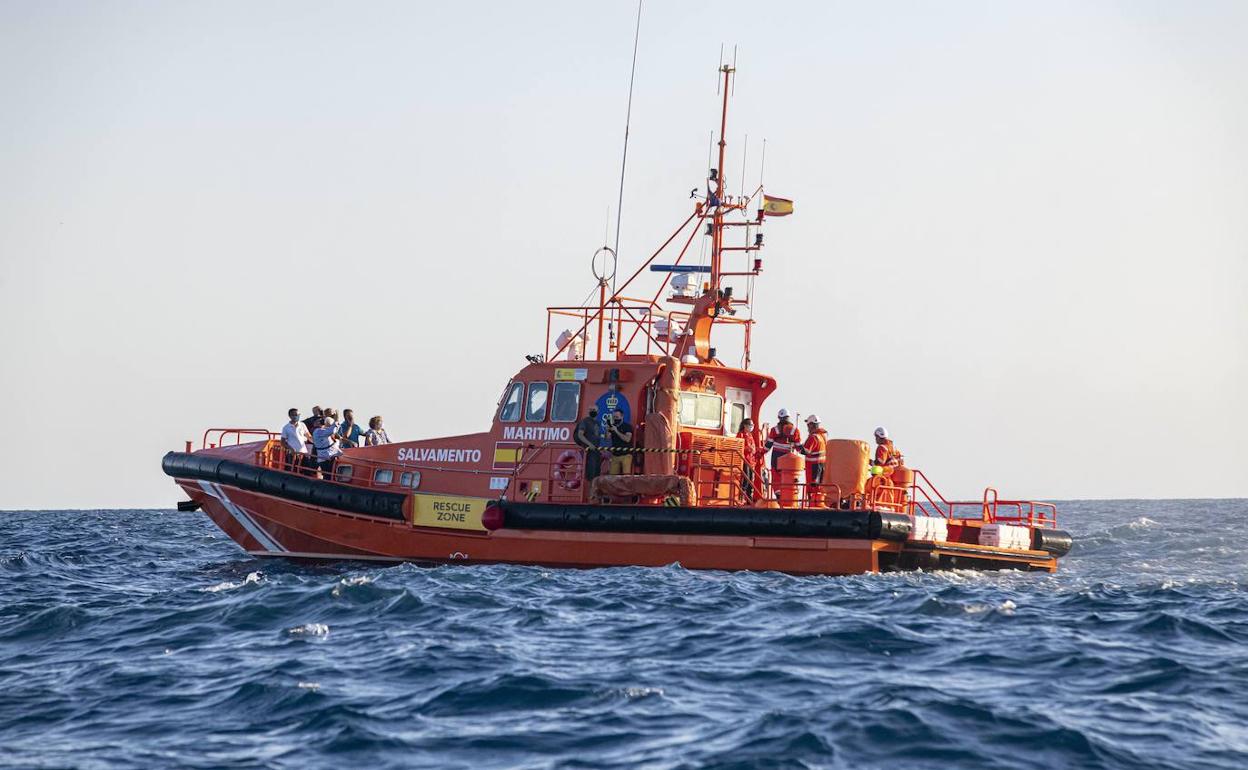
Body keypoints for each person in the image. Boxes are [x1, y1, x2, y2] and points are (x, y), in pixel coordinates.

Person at [736, 417, 766, 502]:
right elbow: (738, 446)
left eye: (753, 425)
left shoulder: (750, 435)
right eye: (750, 425)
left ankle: (749, 498)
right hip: (744, 459)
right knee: (746, 479)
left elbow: (753, 447)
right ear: (745, 425)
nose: (752, 426)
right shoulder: (741, 434)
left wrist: (757, 450)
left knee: (751, 479)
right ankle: (741, 497)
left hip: (751, 461)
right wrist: (747, 448)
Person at [802, 414, 828, 504]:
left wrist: (796, 445)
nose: (807, 428)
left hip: (813, 468)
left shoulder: (813, 437)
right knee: (819, 486)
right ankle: (818, 502)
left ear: (812, 425)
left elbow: (806, 451)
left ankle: (813, 503)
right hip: (821, 467)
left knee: (812, 487)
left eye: (808, 425)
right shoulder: (822, 437)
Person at [574, 406, 603, 485]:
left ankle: (594, 490)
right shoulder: (584, 421)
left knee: (596, 473)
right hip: (588, 451)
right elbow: (580, 435)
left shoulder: (598, 423)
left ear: (598, 412)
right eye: (591, 409)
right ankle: (589, 491)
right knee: (590, 473)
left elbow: (599, 436)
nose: (592, 411)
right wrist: (589, 444)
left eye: (594, 410)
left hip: (596, 451)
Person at [281, 407, 312, 472]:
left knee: (307, 471)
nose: (296, 416)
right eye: (294, 415)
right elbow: (282, 442)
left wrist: (317, 442)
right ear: (290, 416)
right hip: (293, 454)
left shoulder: (302, 425)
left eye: (297, 415)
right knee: (293, 470)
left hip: (304, 452)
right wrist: (291, 449)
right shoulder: (286, 427)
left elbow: (309, 436)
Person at [604, 408, 634, 475]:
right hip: (615, 454)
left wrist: (616, 431)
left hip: (626, 454)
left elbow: (627, 439)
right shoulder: (612, 426)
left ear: (622, 416)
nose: (615, 419)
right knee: (612, 476)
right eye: (614, 417)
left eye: (617, 417)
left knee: (626, 475)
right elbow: (607, 438)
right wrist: (607, 430)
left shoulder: (627, 426)